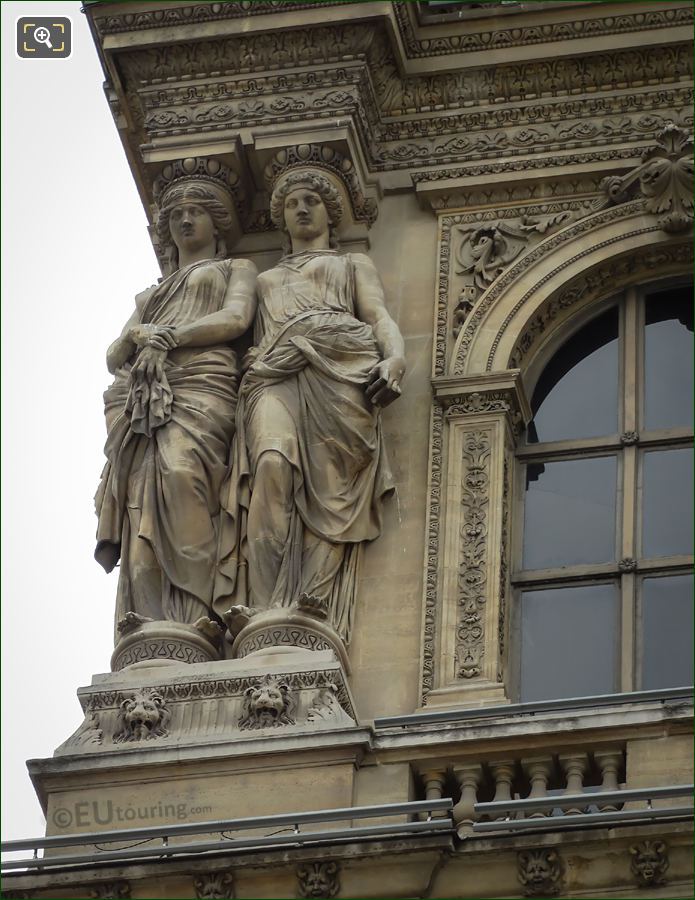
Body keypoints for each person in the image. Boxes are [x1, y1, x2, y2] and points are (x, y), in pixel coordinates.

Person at [214, 169, 405, 644]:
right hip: (274, 374)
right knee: (272, 465)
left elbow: (378, 314)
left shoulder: (351, 264)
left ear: (329, 213)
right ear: (280, 217)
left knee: (331, 486)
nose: (302, 208)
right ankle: (267, 604)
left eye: (312, 201)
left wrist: (396, 357)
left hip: (341, 370)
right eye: (292, 202)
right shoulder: (264, 280)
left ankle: (309, 600)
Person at [95, 177, 257, 635]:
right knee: (142, 501)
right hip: (146, 397)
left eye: (196, 212)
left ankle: (201, 608)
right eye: (176, 215)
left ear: (217, 223)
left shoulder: (235, 269)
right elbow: (112, 356)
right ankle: (154, 619)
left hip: (202, 384)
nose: (185, 220)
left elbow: (237, 317)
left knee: (184, 475)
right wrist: (134, 335)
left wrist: (170, 337)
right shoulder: (149, 297)